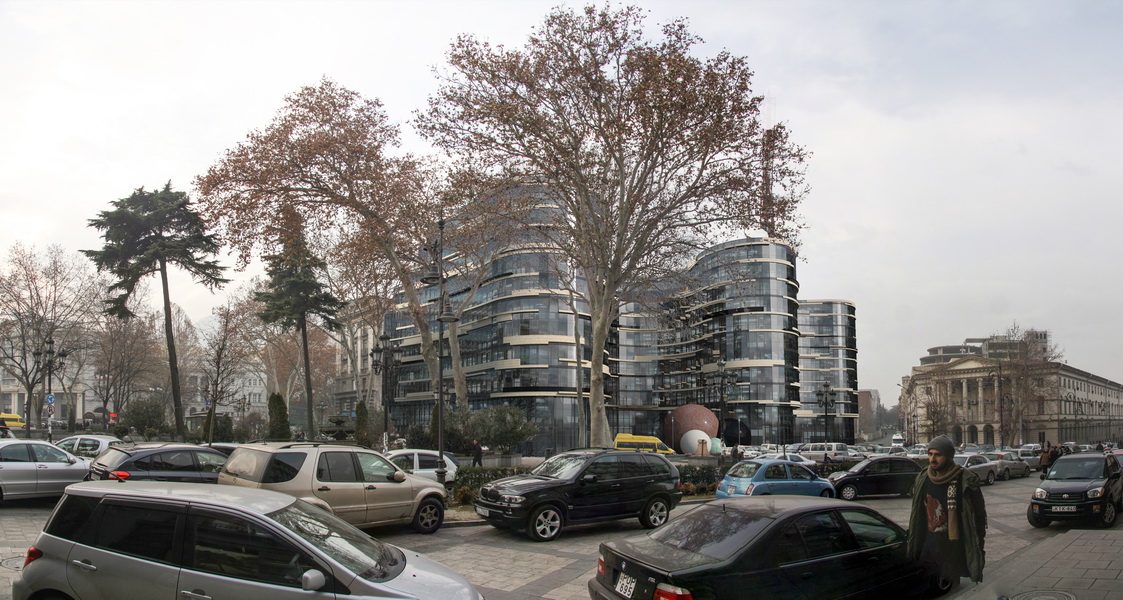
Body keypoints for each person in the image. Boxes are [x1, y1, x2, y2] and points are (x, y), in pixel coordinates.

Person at [906, 435, 987, 592]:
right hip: (928, 546)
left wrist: (979, 545)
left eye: (938, 455)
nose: (932, 459)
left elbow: (978, 518)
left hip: (952, 549)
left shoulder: (965, 480)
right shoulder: (923, 478)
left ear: (949, 456)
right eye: (930, 454)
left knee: (950, 588)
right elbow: (917, 513)